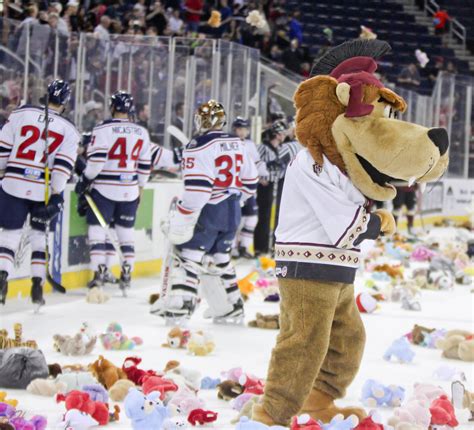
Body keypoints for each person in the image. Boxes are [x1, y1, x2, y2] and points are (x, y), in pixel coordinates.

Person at [157, 100, 258, 322]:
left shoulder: (198, 145)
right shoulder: (239, 143)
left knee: (188, 256)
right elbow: (251, 182)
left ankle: (181, 305)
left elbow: (198, 192)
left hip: (209, 210)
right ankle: (232, 306)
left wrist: (183, 214)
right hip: (233, 210)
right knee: (220, 258)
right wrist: (235, 201)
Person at [0, 79, 80, 306]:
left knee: (9, 235)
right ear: (65, 103)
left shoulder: (21, 114)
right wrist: (56, 194)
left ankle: (1, 280)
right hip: (42, 189)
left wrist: (3, 172)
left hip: (13, 183)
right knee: (38, 236)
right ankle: (37, 288)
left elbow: (3, 147)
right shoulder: (69, 130)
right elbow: (63, 168)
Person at [75, 91, 151, 293]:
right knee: (125, 234)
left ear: (112, 107)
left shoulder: (103, 128)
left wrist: (85, 179)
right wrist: (140, 188)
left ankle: (98, 273)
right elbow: (144, 166)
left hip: (105, 189)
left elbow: (96, 162)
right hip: (130, 190)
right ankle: (127, 274)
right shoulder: (141, 132)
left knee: (98, 232)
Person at [232, 117, 268, 258]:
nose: (242, 132)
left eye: (245, 129)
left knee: (251, 218)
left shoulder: (250, 144)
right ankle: (232, 247)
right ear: (235, 129)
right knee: (236, 218)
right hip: (234, 187)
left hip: (248, 187)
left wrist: (264, 174)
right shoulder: (229, 143)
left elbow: (257, 163)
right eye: (240, 129)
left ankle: (244, 246)